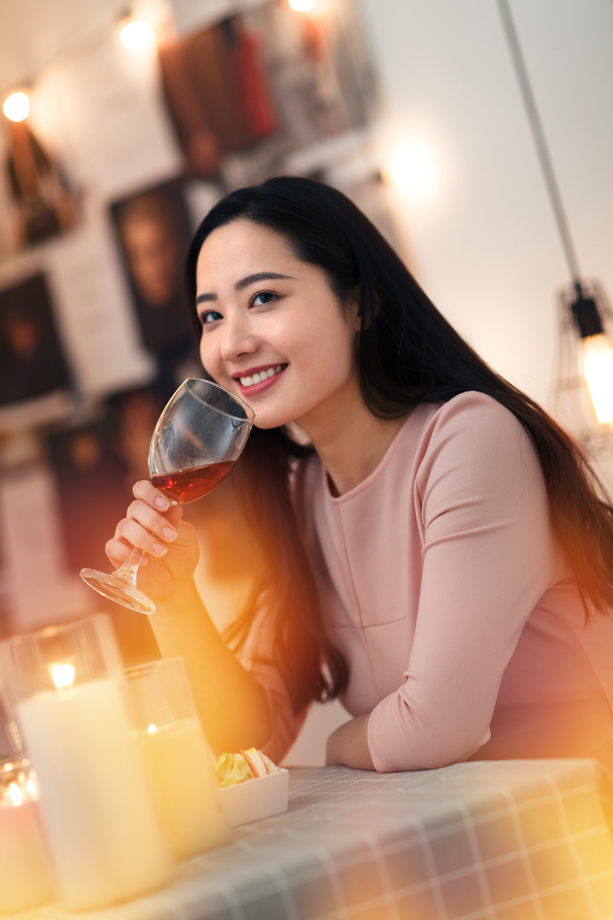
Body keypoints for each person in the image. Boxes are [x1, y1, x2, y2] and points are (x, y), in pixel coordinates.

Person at [106, 177, 613, 772]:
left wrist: (335, 747)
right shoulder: (300, 497)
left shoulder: (468, 439)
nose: (232, 343)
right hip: (461, 843)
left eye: (263, 298)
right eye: (211, 315)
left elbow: (436, 728)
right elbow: (244, 738)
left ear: (358, 303)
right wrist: (173, 597)